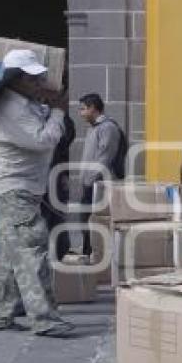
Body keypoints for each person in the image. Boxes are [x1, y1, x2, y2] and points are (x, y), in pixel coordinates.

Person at [0, 49, 74, 337]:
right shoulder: (11, 107)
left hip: (22, 187)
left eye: (39, 77)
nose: (38, 82)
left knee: (8, 254)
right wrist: (58, 110)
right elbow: (43, 140)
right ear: (15, 79)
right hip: (13, 187)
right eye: (32, 78)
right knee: (32, 245)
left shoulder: (27, 103)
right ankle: (45, 318)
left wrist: (50, 106)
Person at [78, 93, 122, 256]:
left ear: (93, 109)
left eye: (83, 109)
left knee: (94, 221)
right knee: (85, 220)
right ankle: (89, 252)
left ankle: (96, 254)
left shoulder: (107, 128)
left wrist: (90, 181)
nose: (80, 113)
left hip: (99, 185)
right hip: (90, 184)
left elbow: (104, 157)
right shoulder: (94, 128)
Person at [43, 114, 76, 261]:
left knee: (54, 217)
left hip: (50, 180)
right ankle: (59, 251)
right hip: (49, 179)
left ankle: (59, 251)